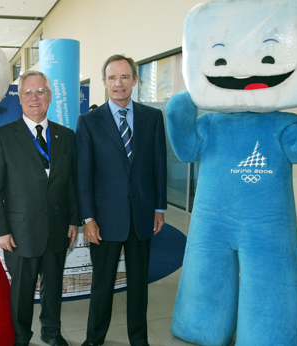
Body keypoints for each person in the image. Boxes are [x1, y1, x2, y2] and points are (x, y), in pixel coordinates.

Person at [74, 55, 167, 346]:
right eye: (112, 78)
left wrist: (159, 207)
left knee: (139, 284)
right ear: (104, 82)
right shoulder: (89, 121)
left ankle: (139, 339)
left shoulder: (152, 118)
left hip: (141, 216)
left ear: (135, 81)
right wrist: (87, 218)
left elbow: (158, 166)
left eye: (125, 77)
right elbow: (83, 174)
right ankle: (93, 339)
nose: (119, 84)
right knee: (102, 285)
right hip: (104, 219)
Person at [0, 70, 79, 346]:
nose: (34, 97)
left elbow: (71, 182)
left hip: (58, 228)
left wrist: (73, 220)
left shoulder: (66, 136)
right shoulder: (2, 137)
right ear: (20, 99)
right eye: (28, 92)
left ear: (49, 97)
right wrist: (0, 230)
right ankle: (20, 336)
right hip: (19, 230)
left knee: (53, 289)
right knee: (21, 291)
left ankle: (51, 332)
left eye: (40, 92)